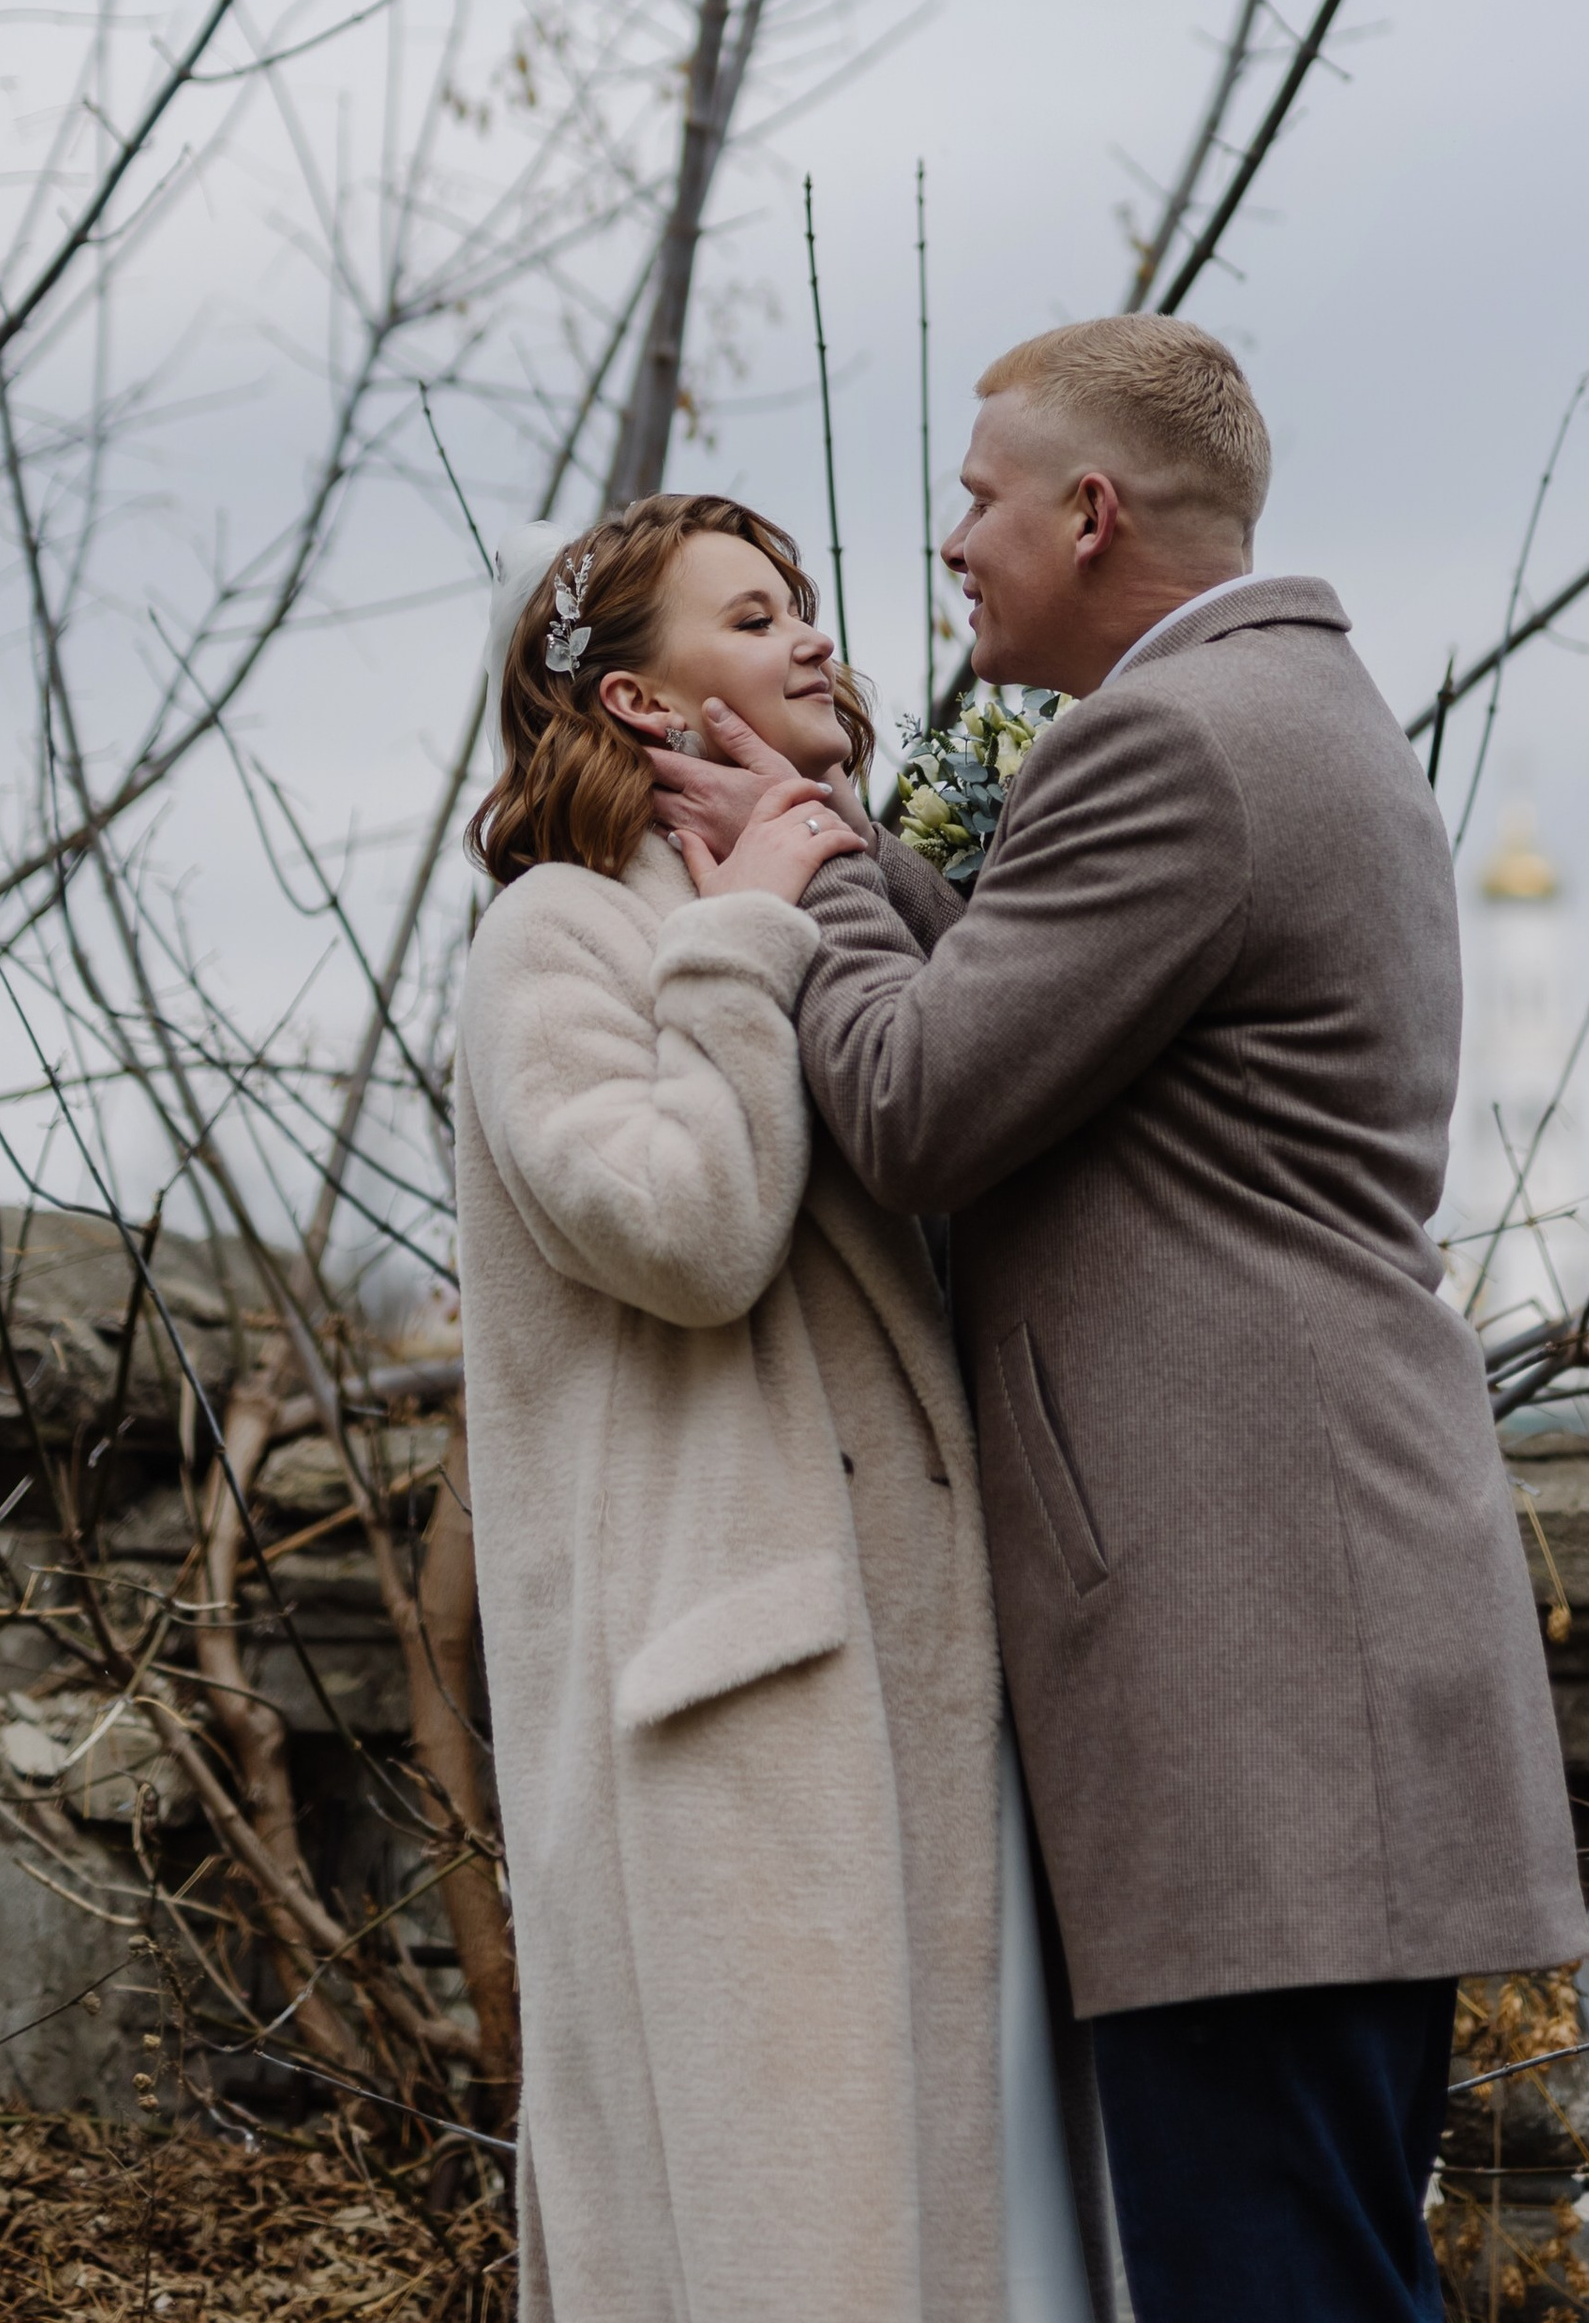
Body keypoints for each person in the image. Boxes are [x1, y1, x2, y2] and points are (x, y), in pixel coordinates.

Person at [658, 321, 1588, 2323]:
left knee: (1277, 2291)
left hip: (1257, 1689)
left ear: (1088, 515)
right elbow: (1021, 1016)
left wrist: (793, 875)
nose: (945, 547)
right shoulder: (1270, 720)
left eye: (977, 502)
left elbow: (913, 1108)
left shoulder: (1177, 749)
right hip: (1304, 1674)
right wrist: (845, 855)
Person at [453, 490, 1103, 2323]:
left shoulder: (837, 915)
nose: (816, 634)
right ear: (644, 705)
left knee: (973, 2246)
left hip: (915, 1695)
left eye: (808, 603)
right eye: (754, 616)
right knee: (783, 2256)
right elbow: (682, 1230)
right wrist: (739, 942)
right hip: (731, 1722)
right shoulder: (558, 941)